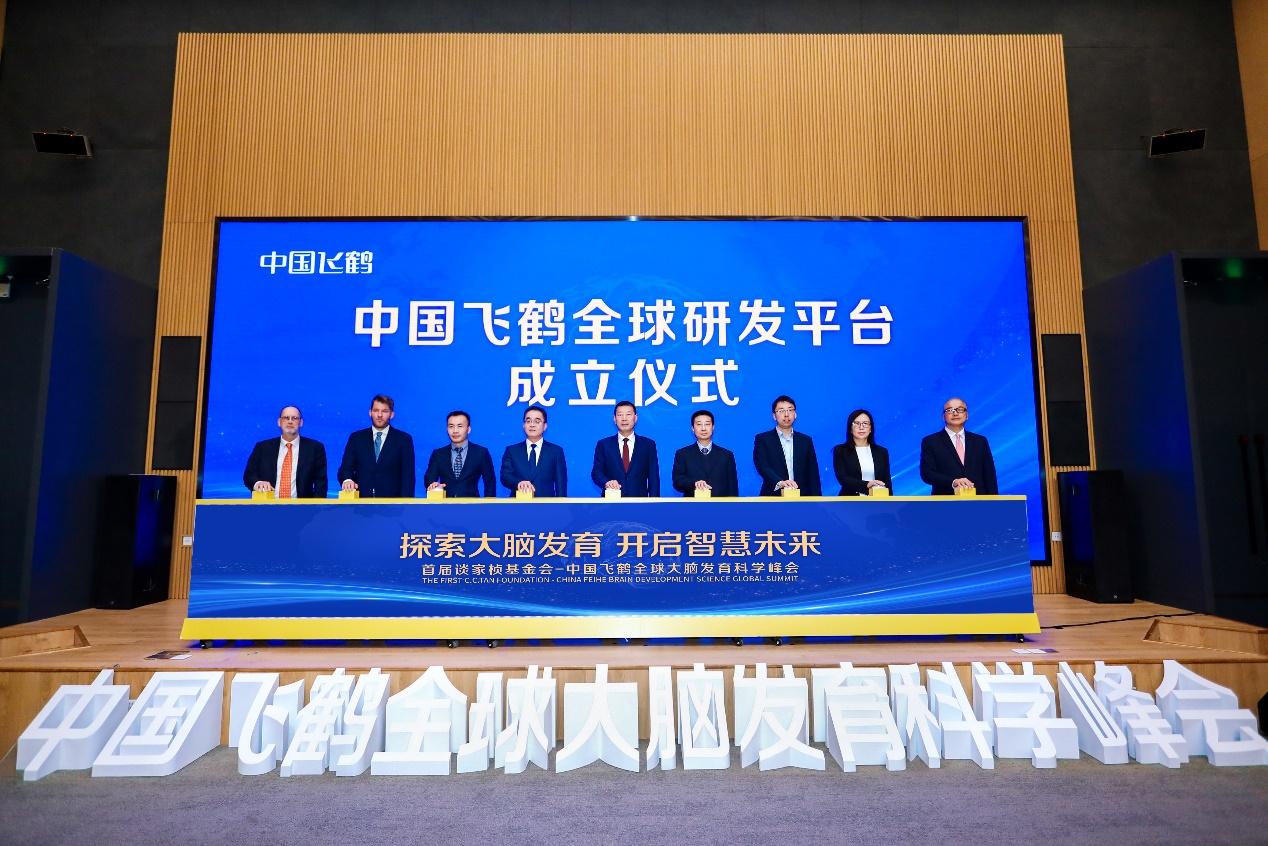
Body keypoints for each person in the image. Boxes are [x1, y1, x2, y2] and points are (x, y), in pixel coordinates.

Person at [337, 394, 416, 498]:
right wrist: (347, 480)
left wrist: (405, 505)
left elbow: (408, 477)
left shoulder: (404, 440)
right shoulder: (356, 438)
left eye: (384, 411)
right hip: (361, 503)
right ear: (370, 413)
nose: (379, 415)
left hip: (392, 505)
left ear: (392, 414)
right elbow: (345, 469)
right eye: (376, 410)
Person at [242, 405, 328, 498]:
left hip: (302, 506)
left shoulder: (315, 448)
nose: (290, 421)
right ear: (279, 422)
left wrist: (316, 505)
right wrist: (257, 483)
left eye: (294, 418)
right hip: (268, 504)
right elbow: (249, 475)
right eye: (286, 418)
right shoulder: (262, 447)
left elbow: (321, 483)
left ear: (301, 422)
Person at [919, 397, 998, 495]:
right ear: (943, 417)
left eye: (960, 409)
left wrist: (994, 501)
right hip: (945, 500)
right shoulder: (931, 442)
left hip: (978, 500)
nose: (955, 413)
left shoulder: (980, 441)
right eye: (950, 410)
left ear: (967, 415)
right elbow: (927, 474)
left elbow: (990, 475)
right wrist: (953, 482)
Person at [752, 394, 822, 496]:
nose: (786, 414)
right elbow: (762, 466)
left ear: (795, 414)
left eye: (790, 410)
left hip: (802, 497)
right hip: (773, 496)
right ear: (774, 416)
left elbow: (813, 473)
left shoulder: (805, 441)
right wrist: (780, 482)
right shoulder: (763, 439)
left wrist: (817, 500)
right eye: (781, 411)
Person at [591, 400, 661, 497]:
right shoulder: (603, 445)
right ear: (614, 419)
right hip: (611, 501)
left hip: (639, 501)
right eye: (620, 415)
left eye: (628, 414)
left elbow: (654, 478)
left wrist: (655, 502)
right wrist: (607, 482)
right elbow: (596, 473)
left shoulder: (648, 445)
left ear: (635, 418)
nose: (624, 419)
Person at [423, 410, 496, 498]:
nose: (455, 431)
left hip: (472, 504)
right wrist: (433, 485)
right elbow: (429, 477)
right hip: (445, 504)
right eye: (451, 426)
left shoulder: (481, 453)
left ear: (468, 429)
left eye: (460, 426)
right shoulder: (438, 454)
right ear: (447, 429)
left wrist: (488, 504)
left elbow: (490, 483)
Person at [499, 405, 567, 497]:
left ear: (545, 426)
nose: (532, 425)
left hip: (546, 503)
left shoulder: (556, 451)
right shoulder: (512, 450)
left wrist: (561, 504)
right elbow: (505, 477)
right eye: (528, 421)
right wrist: (519, 483)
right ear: (523, 425)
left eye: (537, 421)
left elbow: (561, 484)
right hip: (518, 503)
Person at [671, 409, 739, 497]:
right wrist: (694, 483)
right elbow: (677, 482)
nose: (703, 428)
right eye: (699, 424)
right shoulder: (682, 454)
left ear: (713, 427)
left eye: (707, 424)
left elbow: (733, 487)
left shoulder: (726, 455)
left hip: (720, 504)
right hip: (693, 503)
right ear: (692, 428)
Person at [832, 408, 892, 495]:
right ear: (850, 428)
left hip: (877, 500)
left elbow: (887, 482)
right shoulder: (840, 450)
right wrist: (867, 485)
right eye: (857, 423)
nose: (861, 427)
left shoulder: (881, 452)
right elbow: (843, 479)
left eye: (865, 423)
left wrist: (890, 501)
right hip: (850, 500)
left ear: (870, 428)